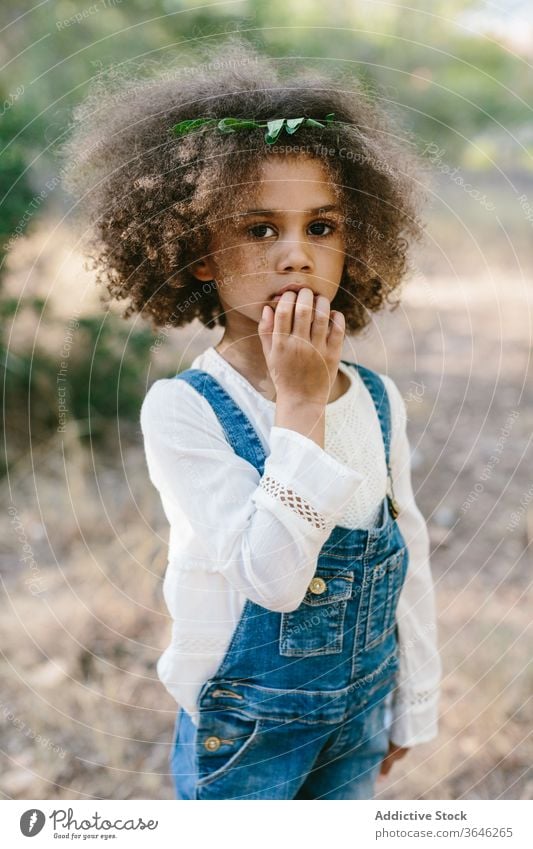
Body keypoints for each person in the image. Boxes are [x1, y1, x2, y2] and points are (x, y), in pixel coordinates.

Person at [60, 37, 441, 800]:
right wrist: (298, 405)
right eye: (259, 229)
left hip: (357, 716)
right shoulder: (185, 411)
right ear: (198, 252)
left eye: (321, 227)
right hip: (245, 734)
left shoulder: (375, 397)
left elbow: (410, 555)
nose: (295, 255)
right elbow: (271, 579)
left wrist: (414, 705)